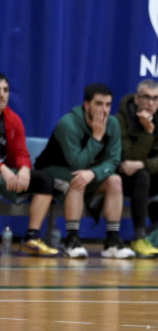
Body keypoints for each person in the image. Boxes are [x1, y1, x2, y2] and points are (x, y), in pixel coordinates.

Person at [35, 83, 133, 259]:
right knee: (78, 177)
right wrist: (96, 137)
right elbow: (76, 163)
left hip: (88, 172)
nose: (104, 110)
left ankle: (112, 241)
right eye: (99, 104)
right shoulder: (68, 123)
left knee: (115, 180)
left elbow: (114, 160)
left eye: (108, 105)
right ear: (87, 105)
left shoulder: (113, 124)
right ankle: (72, 240)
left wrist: (94, 173)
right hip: (54, 171)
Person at [115, 79, 158, 258]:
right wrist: (147, 133)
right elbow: (128, 158)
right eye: (146, 97)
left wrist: (144, 164)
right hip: (123, 177)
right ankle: (139, 237)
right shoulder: (120, 120)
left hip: (143, 172)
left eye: (155, 99)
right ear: (137, 99)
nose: (151, 103)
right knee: (141, 175)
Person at [0, 73, 57, 256]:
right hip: (4, 173)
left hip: (8, 176)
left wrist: (24, 169)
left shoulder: (13, 119)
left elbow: (21, 152)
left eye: (6, 90)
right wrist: (3, 169)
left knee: (44, 180)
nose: (2, 95)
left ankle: (31, 237)